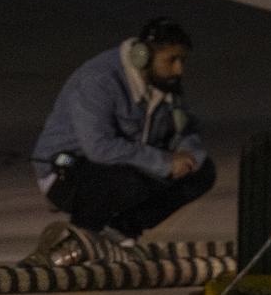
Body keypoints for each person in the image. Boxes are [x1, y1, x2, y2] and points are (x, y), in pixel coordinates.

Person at [24, 18, 216, 266]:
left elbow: (185, 128)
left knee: (202, 172)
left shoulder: (164, 85)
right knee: (128, 178)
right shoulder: (99, 80)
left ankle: (120, 231)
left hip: (126, 167)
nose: (179, 70)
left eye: (182, 61)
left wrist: (188, 155)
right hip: (66, 169)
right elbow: (99, 148)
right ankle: (81, 235)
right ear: (142, 57)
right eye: (172, 60)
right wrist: (164, 162)